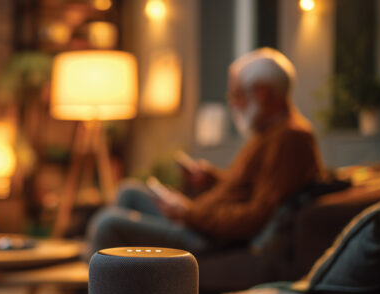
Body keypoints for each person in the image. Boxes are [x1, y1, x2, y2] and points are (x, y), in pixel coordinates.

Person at [86, 48, 325, 256]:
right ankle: (118, 280)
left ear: (262, 93)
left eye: (237, 94)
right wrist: (211, 178)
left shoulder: (290, 139)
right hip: (203, 222)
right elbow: (250, 188)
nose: (232, 103)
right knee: (129, 192)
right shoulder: (268, 133)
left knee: (108, 224)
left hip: (211, 239)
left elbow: (256, 217)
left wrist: (189, 214)